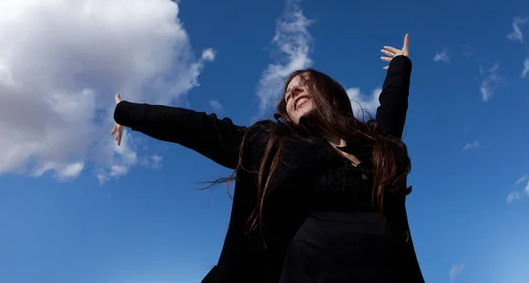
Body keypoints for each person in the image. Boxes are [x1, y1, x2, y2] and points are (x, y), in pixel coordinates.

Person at [111, 34, 424, 283]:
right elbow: (196, 127)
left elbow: (392, 109)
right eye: (288, 94)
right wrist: (124, 112)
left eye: (303, 85)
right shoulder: (274, 146)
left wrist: (401, 64)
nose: (293, 94)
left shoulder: (377, 149)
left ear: (330, 93)